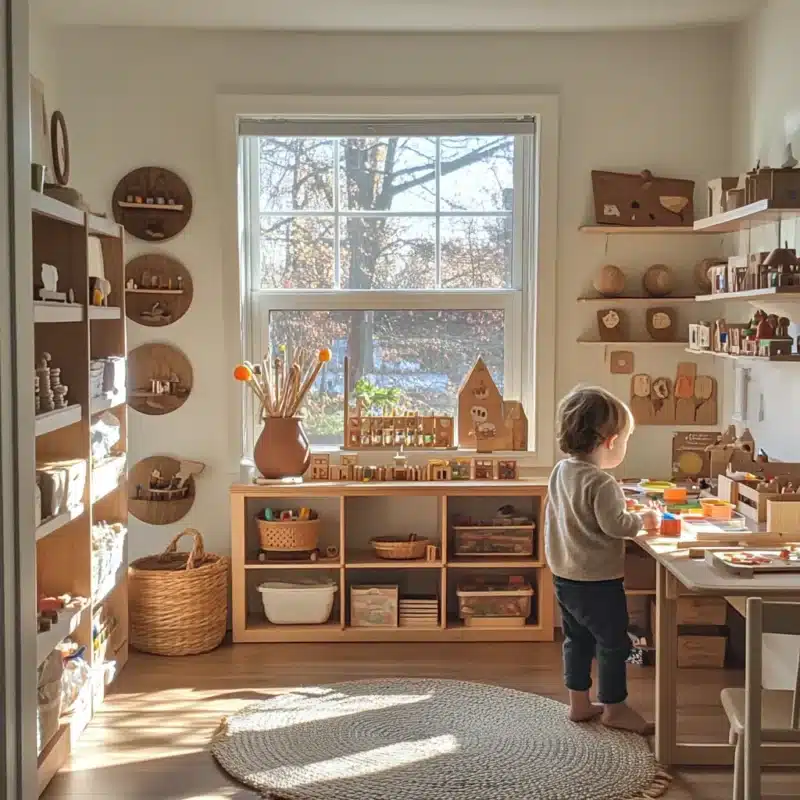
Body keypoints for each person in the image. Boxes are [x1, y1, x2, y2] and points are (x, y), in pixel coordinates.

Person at [545, 385, 660, 734]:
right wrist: (645, 520)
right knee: (613, 643)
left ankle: (579, 703)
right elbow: (616, 526)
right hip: (598, 580)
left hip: (565, 575)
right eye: (625, 439)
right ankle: (614, 707)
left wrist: (622, 511)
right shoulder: (602, 482)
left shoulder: (561, 471)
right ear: (610, 441)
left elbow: (581, 515)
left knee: (577, 640)